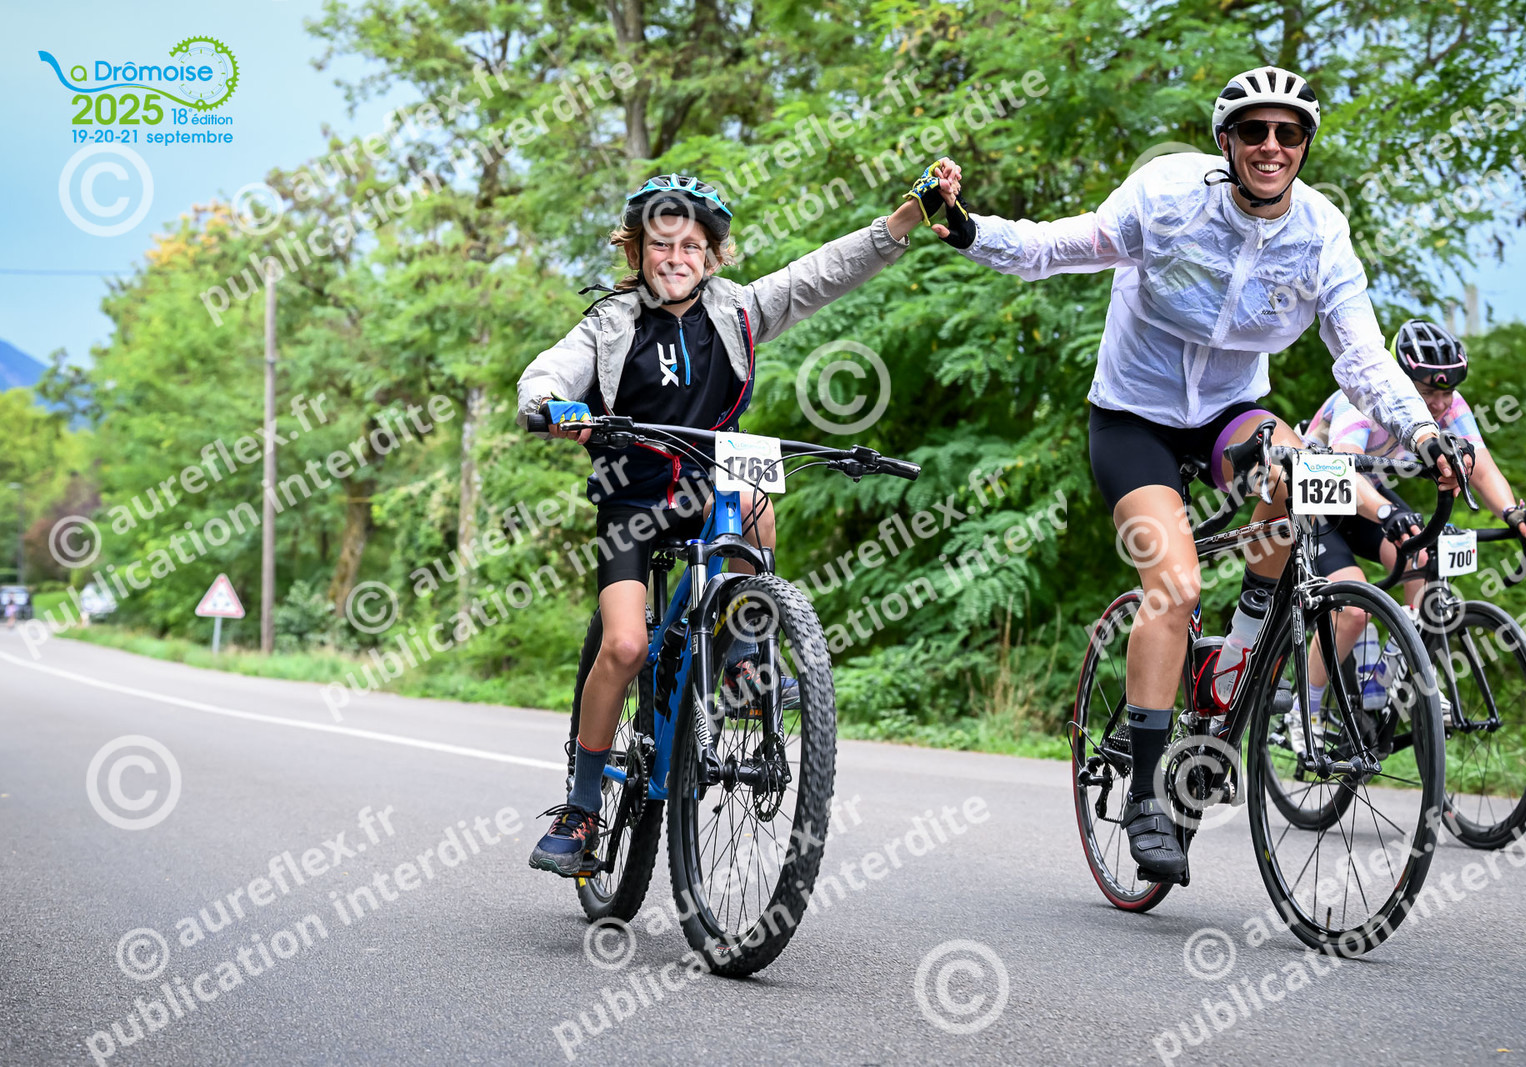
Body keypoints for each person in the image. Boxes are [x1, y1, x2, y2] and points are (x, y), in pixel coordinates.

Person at [924, 67, 1470, 881]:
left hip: (1230, 414)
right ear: (1226, 140)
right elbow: (1056, 247)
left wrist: (1423, 431)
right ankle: (1149, 795)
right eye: (1254, 130)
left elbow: (1360, 353)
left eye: (1288, 133)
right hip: (1133, 419)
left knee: (1298, 468)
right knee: (1175, 589)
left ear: (1305, 145)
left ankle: (1240, 646)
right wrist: (970, 229)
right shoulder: (1168, 196)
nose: (1271, 146)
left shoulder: (1321, 232)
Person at [516, 171, 938, 876]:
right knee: (625, 645)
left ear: (711, 255)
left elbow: (818, 274)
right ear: (637, 251)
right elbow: (551, 371)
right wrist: (554, 405)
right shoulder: (610, 323)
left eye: (691, 245)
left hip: (712, 488)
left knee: (758, 496)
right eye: (661, 243)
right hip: (633, 502)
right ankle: (582, 806)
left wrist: (900, 223)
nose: (675, 256)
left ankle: (743, 647)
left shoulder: (738, 310)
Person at [1292, 318, 1526, 747]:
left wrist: (1513, 512)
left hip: (1368, 494)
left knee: (1424, 561)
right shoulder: (1361, 399)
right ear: (1397, 378)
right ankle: (1304, 712)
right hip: (1318, 495)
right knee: (1352, 612)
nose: (1441, 404)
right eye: (1428, 392)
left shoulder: (1450, 405)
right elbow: (1341, 472)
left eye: (1448, 392)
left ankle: (1404, 675)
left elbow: (1480, 467)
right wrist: (1387, 511)